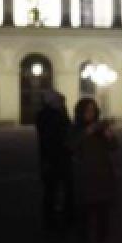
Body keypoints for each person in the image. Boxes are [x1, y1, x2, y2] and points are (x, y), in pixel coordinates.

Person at [70, 98, 119, 243]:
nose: (90, 113)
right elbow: (70, 146)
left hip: (102, 177)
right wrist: (87, 132)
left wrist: (109, 134)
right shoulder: (76, 129)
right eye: (87, 110)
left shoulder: (100, 129)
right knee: (83, 216)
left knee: (103, 215)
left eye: (93, 110)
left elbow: (114, 147)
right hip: (85, 178)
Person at [35, 89, 74, 229]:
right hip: (56, 157)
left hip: (52, 158)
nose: (61, 102)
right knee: (56, 189)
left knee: (54, 189)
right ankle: (58, 217)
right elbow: (61, 134)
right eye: (59, 100)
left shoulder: (48, 114)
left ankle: (54, 216)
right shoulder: (53, 116)